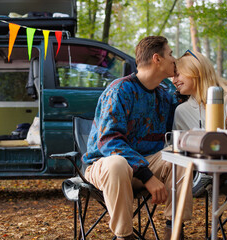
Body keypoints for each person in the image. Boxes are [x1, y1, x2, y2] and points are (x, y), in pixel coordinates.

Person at [82, 36, 192, 240]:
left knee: (181, 157)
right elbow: (109, 141)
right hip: (106, 166)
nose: (174, 59)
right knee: (117, 163)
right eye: (170, 54)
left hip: (145, 163)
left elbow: (177, 123)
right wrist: (148, 177)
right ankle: (124, 236)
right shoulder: (120, 90)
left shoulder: (164, 95)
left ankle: (174, 230)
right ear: (157, 59)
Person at [172, 50, 227, 131]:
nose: (174, 81)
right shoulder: (181, 112)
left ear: (196, 70)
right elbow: (178, 142)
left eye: (177, 75)